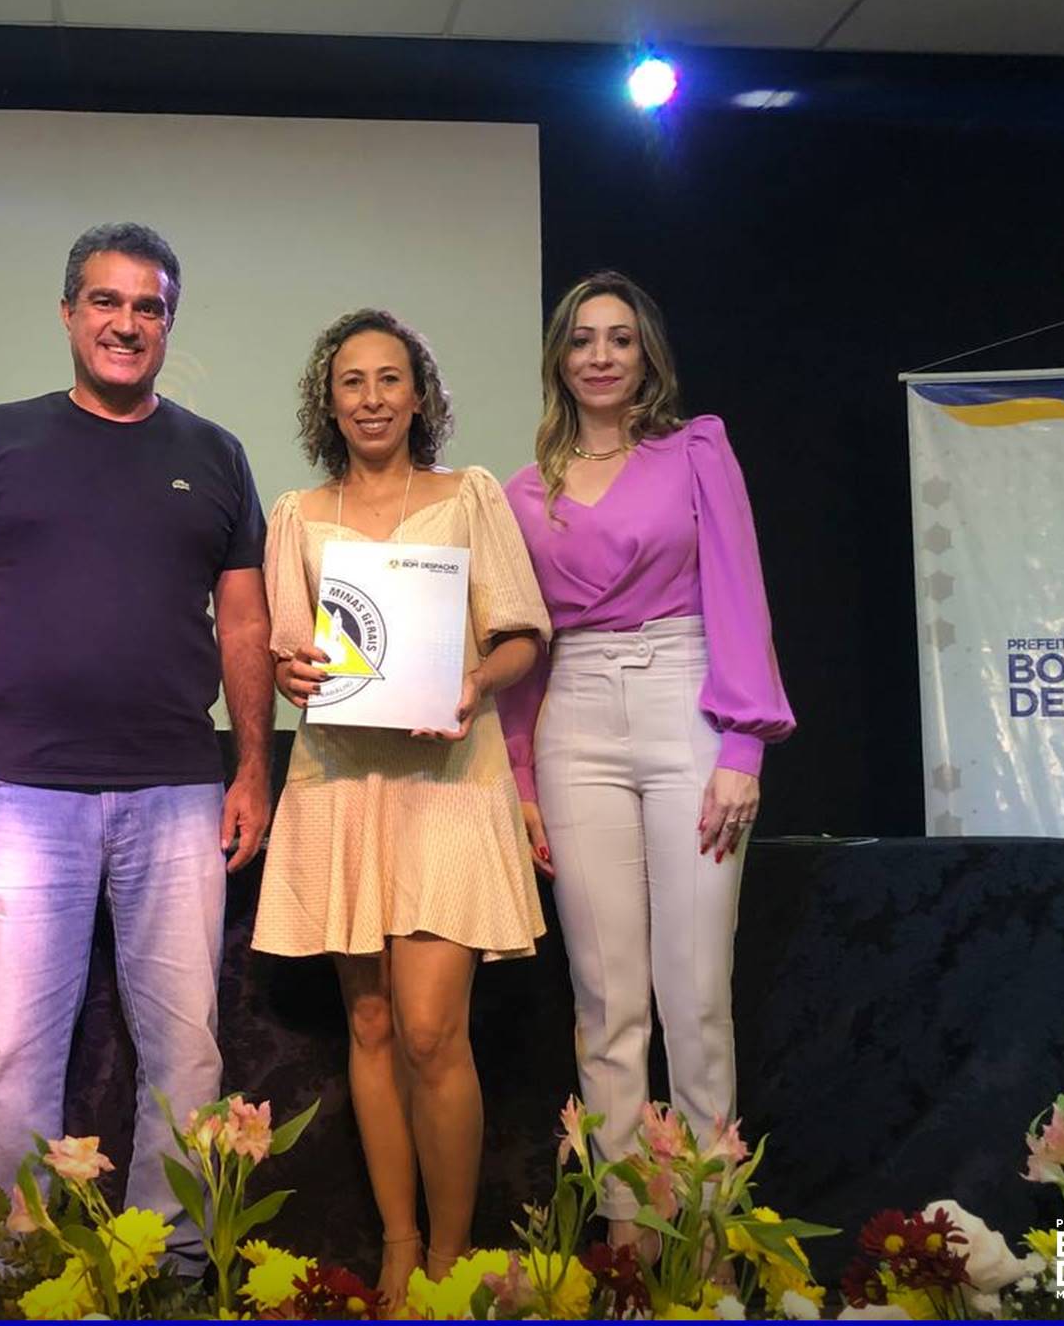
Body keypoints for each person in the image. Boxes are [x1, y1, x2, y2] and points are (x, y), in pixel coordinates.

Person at [0, 223, 273, 1262]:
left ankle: (173, 1272)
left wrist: (253, 766)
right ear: (69, 313)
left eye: (148, 306)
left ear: (169, 324)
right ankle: (12, 1272)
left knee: (188, 1059)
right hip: (19, 790)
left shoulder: (216, 454)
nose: (126, 323)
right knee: (17, 1055)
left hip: (177, 790)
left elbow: (245, 622)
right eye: (106, 302)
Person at [256, 308, 549, 1303]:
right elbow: (289, 654)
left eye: (389, 379)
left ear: (419, 395)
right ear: (329, 401)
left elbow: (521, 634)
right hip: (344, 784)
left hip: (447, 784)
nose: (372, 398)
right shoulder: (298, 514)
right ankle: (398, 1242)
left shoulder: (468, 496)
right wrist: (294, 672)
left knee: (430, 1030)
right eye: (353, 382)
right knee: (374, 1024)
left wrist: (475, 681)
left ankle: (452, 1260)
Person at [497, 271, 795, 1240]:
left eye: (619, 338)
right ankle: (630, 1245)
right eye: (583, 338)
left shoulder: (696, 450)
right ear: (559, 357)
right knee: (607, 1000)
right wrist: (519, 775)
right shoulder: (522, 492)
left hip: (686, 701)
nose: (600, 355)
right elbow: (525, 643)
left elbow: (740, 591)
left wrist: (744, 741)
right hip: (574, 720)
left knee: (696, 996)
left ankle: (705, 1248)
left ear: (646, 354)